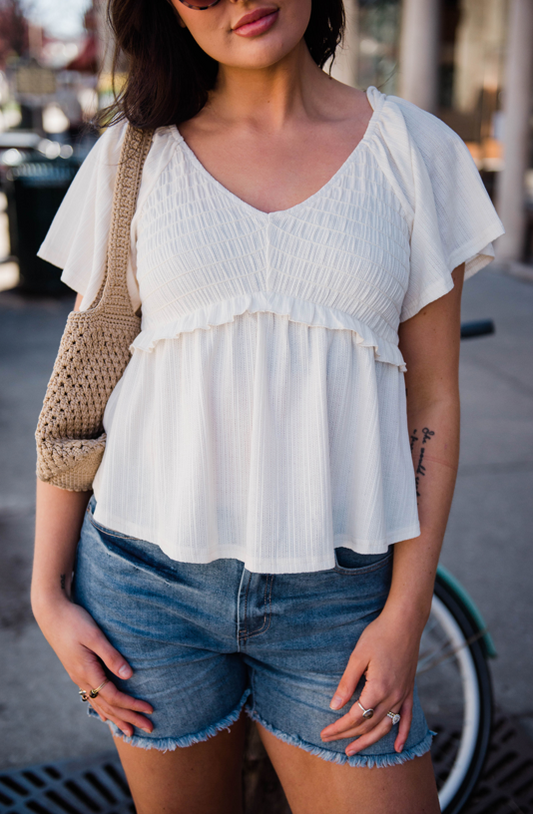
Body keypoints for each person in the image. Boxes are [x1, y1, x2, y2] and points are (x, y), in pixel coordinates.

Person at [31, 1, 505, 812]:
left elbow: (431, 396)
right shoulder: (131, 156)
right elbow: (83, 379)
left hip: (341, 599)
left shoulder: (414, 151)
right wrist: (48, 594)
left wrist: (405, 611)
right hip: (147, 589)